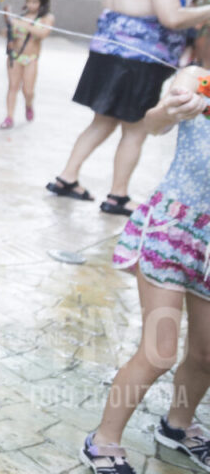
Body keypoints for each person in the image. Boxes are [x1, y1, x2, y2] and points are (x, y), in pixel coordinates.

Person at [80, 65, 210, 474]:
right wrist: (175, 108)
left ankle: (178, 427)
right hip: (173, 231)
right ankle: (103, 441)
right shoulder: (197, 76)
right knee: (158, 352)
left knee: (207, 354)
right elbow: (152, 123)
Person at [48, 0, 210, 216]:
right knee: (135, 128)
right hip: (137, 62)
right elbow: (172, 18)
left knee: (102, 121)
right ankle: (118, 196)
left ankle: (66, 177)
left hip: (106, 55)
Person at [0, 0, 54, 129]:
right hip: (15, 56)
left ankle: (29, 104)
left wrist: (22, 24)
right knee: (13, 87)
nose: (30, 5)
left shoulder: (46, 18)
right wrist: (8, 33)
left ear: (43, 3)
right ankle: (9, 117)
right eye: (28, 1)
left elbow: (43, 34)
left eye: (34, 2)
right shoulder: (21, 16)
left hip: (31, 58)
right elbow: (8, 33)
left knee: (28, 91)